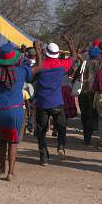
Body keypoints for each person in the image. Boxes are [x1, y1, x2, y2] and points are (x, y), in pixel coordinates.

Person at [0, 42, 42, 181]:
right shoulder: (21, 71)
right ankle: (10, 172)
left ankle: (2, 169)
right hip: (15, 109)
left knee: (2, 140)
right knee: (13, 141)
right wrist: (38, 49)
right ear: (14, 58)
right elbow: (39, 66)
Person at [35, 35, 77, 166]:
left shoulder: (40, 66)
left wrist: (37, 50)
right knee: (61, 126)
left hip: (42, 103)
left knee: (41, 131)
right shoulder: (61, 65)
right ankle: (61, 146)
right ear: (57, 53)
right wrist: (69, 42)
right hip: (57, 102)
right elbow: (74, 57)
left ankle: (44, 158)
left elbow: (37, 64)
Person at [78, 46, 100, 145]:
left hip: (83, 92)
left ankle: (86, 136)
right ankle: (89, 134)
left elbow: (77, 76)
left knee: (84, 114)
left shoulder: (84, 63)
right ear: (98, 55)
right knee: (93, 114)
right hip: (94, 93)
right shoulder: (100, 65)